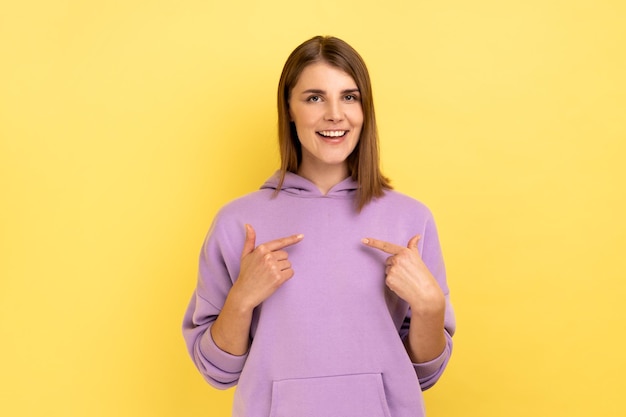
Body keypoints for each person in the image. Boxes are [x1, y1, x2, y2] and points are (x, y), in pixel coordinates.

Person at [182, 35, 455, 417]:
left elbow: (426, 372)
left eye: (349, 96)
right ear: (289, 109)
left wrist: (430, 307)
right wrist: (242, 298)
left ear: (365, 109)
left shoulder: (410, 218)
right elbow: (217, 370)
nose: (334, 114)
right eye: (314, 97)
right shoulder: (237, 222)